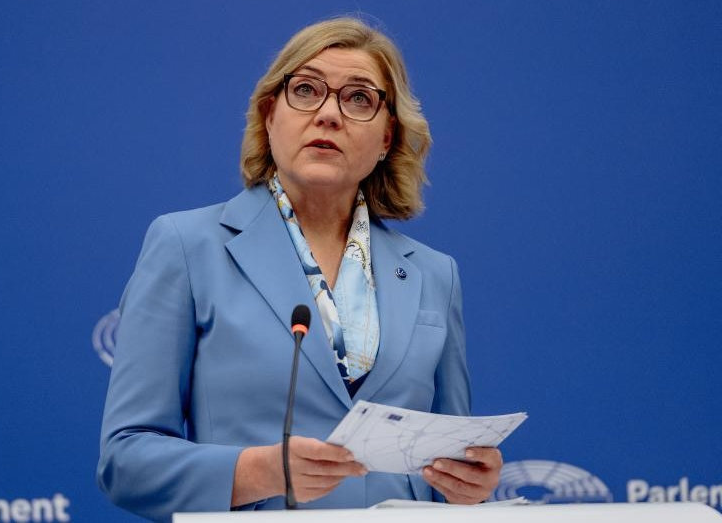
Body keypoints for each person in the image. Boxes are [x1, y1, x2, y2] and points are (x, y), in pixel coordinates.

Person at [97, 16, 501, 521]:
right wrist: (260, 471)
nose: (328, 114)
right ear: (270, 116)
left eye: (359, 98)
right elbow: (126, 460)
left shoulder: (435, 275)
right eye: (306, 90)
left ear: (386, 137)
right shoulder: (187, 246)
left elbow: (449, 458)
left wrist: (469, 488)